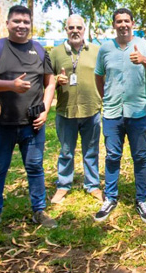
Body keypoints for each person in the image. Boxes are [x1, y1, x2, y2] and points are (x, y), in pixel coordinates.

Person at [0, 5, 58, 238]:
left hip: (32, 124)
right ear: (8, 23)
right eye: (17, 21)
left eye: (26, 21)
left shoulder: (40, 50)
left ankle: (39, 211)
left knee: (34, 167)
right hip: (1, 124)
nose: (21, 25)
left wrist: (46, 109)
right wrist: (10, 85)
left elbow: (49, 82)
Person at [93, 8, 146, 223]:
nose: (123, 24)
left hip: (138, 112)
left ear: (133, 23)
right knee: (112, 156)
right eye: (118, 21)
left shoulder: (144, 45)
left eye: (126, 21)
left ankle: (141, 199)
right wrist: (107, 99)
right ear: (114, 25)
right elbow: (98, 76)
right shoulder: (105, 49)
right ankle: (110, 197)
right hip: (112, 113)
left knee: (140, 157)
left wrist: (143, 60)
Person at [50, 15, 103, 204]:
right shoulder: (55, 53)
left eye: (78, 27)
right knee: (66, 151)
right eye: (71, 27)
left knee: (91, 151)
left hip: (92, 110)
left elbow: (105, 77)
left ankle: (93, 185)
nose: (75, 31)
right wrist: (56, 81)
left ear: (84, 29)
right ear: (66, 29)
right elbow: (45, 82)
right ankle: (63, 185)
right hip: (66, 111)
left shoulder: (96, 51)